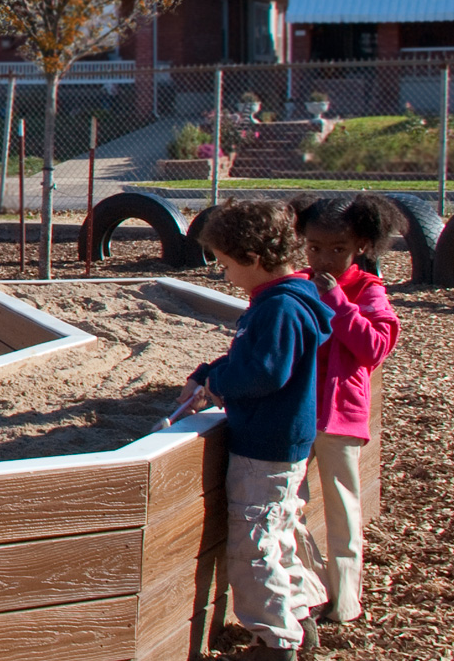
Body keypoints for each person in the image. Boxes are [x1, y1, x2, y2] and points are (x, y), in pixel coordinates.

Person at [179, 199, 334, 660]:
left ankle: (274, 641)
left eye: (226, 265)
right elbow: (256, 358)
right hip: (281, 442)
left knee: (255, 545)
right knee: (280, 530)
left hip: (265, 446)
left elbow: (263, 372)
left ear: (252, 258)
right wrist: (211, 371)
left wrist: (220, 382)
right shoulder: (287, 300)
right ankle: (299, 617)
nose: (224, 274)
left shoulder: (278, 309)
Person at [297, 193, 403, 628]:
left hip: (340, 414)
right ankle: (312, 586)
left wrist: (338, 300)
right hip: (299, 413)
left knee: (343, 510)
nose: (324, 259)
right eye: (315, 248)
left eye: (337, 250)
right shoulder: (301, 283)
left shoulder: (367, 290)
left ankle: (345, 600)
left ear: (361, 244)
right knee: (287, 504)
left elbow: (375, 346)